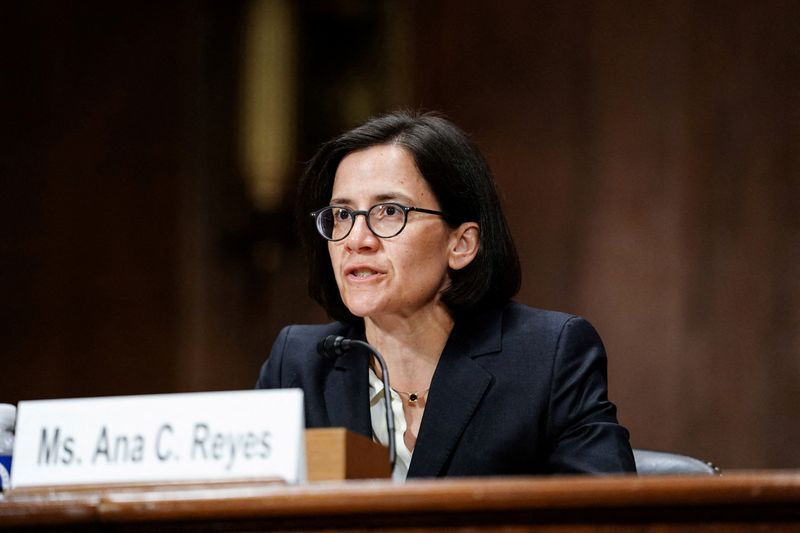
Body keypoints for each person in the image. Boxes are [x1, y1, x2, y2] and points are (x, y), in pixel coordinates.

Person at [256, 110, 636, 479]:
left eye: (389, 211)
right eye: (342, 215)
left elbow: (608, 512)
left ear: (462, 243)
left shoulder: (547, 357)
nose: (356, 240)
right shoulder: (300, 363)